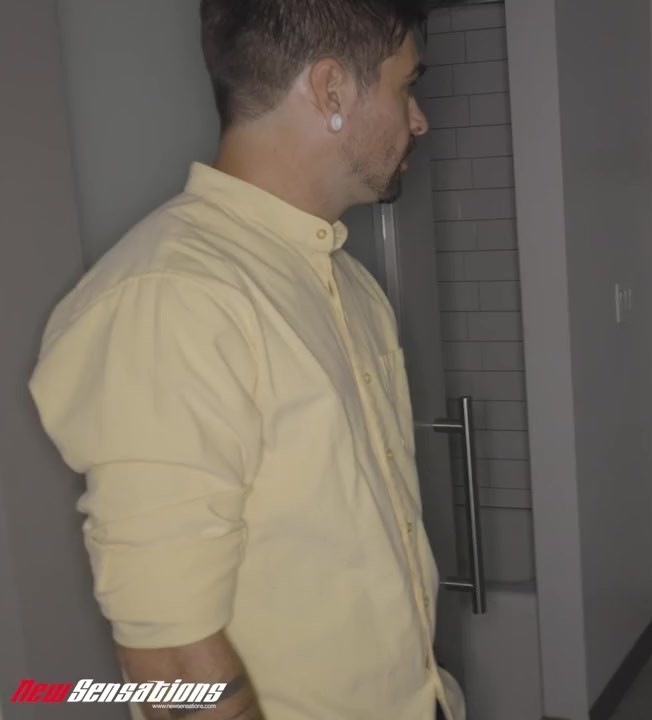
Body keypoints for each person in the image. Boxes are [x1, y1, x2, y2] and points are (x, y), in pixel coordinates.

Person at [28, 1, 464, 718]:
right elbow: (169, 657)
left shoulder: (346, 282)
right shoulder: (173, 296)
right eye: (405, 87)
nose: (418, 120)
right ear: (331, 89)